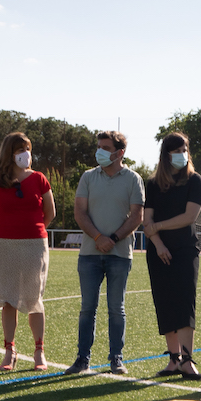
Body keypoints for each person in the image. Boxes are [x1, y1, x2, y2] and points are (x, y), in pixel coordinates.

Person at [66, 130, 145, 376]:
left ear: (120, 153)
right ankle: (82, 359)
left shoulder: (133, 179)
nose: (99, 151)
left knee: (116, 308)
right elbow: (80, 212)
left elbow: (137, 216)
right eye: (98, 146)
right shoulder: (88, 177)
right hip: (89, 254)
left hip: (120, 255)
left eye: (105, 147)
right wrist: (99, 238)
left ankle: (116, 359)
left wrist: (113, 239)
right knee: (87, 308)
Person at [0, 131, 54, 371]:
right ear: (9, 153)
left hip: (35, 246)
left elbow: (49, 213)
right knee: (9, 300)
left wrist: (34, 231)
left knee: (34, 299)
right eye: (20, 149)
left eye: (28, 148)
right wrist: (3, 232)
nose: (25, 154)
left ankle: (39, 351)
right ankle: (10, 350)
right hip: (5, 246)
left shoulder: (40, 179)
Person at [142, 131, 201, 381]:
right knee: (165, 302)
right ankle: (173, 359)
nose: (181, 155)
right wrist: (158, 244)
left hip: (185, 250)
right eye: (176, 151)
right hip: (158, 251)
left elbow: (189, 217)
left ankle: (188, 361)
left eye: (184, 150)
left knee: (184, 302)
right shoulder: (153, 183)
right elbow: (147, 221)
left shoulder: (194, 180)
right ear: (166, 155)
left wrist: (158, 227)